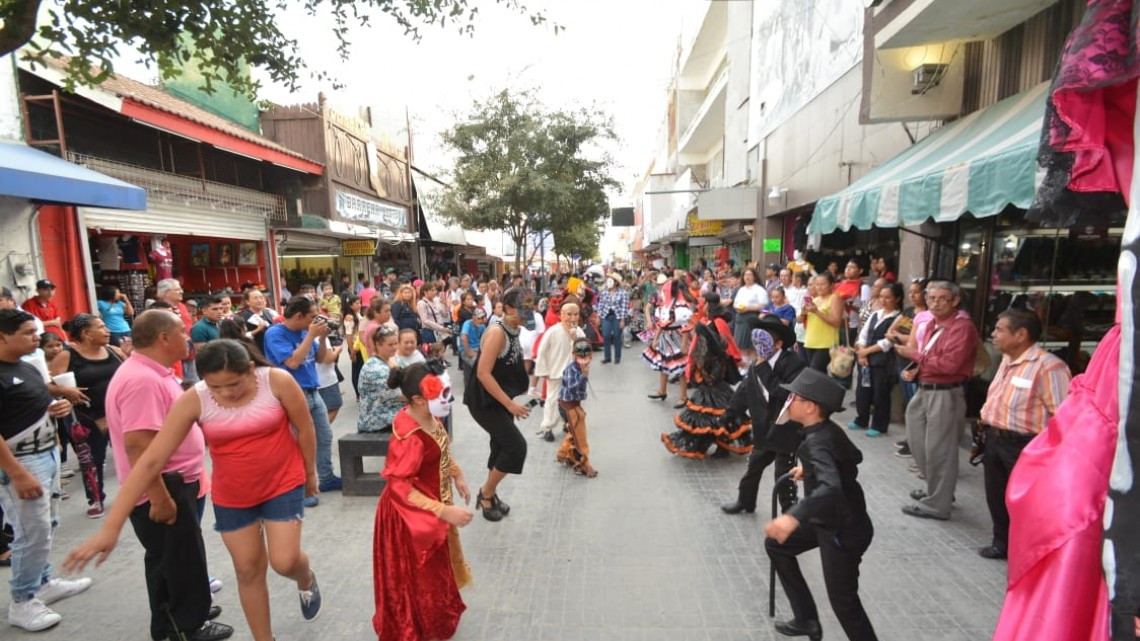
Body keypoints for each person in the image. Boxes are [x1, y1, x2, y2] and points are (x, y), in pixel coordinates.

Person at [65, 340, 322, 641]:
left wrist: (309, 473)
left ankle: (305, 578)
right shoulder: (194, 399)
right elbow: (150, 461)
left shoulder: (276, 381)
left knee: (285, 561)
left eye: (234, 384)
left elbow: (305, 427)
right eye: (216, 386)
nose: (226, 393)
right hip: (233, 494)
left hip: (282, 482)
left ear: (250, 369)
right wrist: (111, 527)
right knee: (247, 569)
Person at [103, 310, 234, 641]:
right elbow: (138, 446)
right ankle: (185, 627)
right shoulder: (141, 380)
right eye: (181, 332)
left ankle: (175, 617)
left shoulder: (152, 373)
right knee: (178, 560)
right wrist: (159, 496)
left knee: (172, 556)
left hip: (177, 481)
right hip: (165, 486)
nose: (187, 337)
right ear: (163, 338)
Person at [764, 368, 878, 641]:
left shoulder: (816, 442)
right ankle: (806, 619)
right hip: (829, 520)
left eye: (794, 397)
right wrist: (812, 470)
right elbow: (854, 457)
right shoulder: (828, 430)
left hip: (842, 530)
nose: (789, 401)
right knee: (777, 545)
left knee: (844, 603)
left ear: (810, 407)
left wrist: (792, 517)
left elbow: (831, 487)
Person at [0, 308, 90, 631]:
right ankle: (22, 601)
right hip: (21, 461)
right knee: (31, 532)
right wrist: (16, 473)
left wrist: (57, 407)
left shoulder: (26, 366)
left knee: (47, 524)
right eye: (27, 333)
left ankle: (42, 583)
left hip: (46, 453)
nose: (36, 338)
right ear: (2, 337)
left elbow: (33, 406)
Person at [372, 363, 472, 640]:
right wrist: (443, 511)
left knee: (434, 572)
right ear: (418, 399)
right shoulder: (410, 437)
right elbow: (400, 488)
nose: (447, 398)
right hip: (409, 516)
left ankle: (436, 616)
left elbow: (441, 448)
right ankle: (417, 624)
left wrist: (457, 474)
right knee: (418, 575)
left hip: (431, 505)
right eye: (441, 393)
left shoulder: (428, 415)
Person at [976, 309, 1070, 560]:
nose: (993, 334)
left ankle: (1029, 552)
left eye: (999, 330)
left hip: (1025, 445)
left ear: (1021, 335)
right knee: (996, 497)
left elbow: (1063, 415)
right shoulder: (1006, 360)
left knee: (1026, 502)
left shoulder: (1049, 367)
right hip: (995, 438)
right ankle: (1002, 544)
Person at [895, 281, 980, 521]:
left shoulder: (962, 328)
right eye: (932, 298)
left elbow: (949, 365)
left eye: (942, 298)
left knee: (940, 450)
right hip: (926, 388)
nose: (936, 303)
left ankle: (938, 504)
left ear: (955, 301)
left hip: (945, 392)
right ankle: (938, 491)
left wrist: (914, 355)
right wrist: (916, 368)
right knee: (919, 443)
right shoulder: (933, 323)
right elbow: (931, 358)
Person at [722, 317, 806, 515]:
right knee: (753, 467)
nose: (760, 347)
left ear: (778, 344)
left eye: (765, 341)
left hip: (785, 429)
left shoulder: (794, 363)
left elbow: (783, 392)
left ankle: (789, 512)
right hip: (764, 429)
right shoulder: (757, 364)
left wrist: (763, 368)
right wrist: (729, 415)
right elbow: (745, 390)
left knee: (784, 474)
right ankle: (745, 501)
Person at [462, 286, 533, 522]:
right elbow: (483, 373)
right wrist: (510, 404)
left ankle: (490, 494)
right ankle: (486, 493)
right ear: (509, 308)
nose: (527, 314)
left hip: (499, 398)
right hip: (484, 401)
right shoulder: (497, 332)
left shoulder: (515, 328)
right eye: (523, 309)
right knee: (516, 447)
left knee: (500, 446)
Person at [49, 314, 129, 518]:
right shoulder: (67, 355)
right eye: (101, 327)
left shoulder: (114, 351)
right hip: (85, 417)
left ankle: (136, 492)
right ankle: (95, 498)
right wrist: (65, 391)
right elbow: (48, 384)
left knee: (130, 453)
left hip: (119, 413)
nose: (107, 330)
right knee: (92, 460)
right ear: (86, 334)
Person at [262, 297, 340, 503]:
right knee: (298, 443)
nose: (316, 321)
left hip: (313, 392)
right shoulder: (275, 333)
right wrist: (311, 335)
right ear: (299, 316)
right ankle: (301, 486)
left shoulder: (306, 331)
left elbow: (321, 359)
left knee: (324, 437)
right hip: (293, 397)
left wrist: (321, 339)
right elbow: (292, 362)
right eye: (312, 317)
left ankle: (326, 477)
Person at [661, 295, 746, 459]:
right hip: (705, 368)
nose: (700, 305)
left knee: (714, 412)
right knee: (707, 414)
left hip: (714, 370)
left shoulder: (718, 321)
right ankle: (707, 445)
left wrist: (732, 361)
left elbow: (726, 343)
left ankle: (718, 446)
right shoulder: (706, 320)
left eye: (702, 302)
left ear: (708, 304)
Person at [849, 282, 903, 438]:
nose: (883, 301)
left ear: (897, 299)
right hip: (865, 360)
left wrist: (866, 351)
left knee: (881, 394)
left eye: (888, 297)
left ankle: (879, 425)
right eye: (881, 297)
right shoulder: (875, 314)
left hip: (883, 361)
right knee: (863, 391)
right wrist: (862, 353)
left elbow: (887, 343)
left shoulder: (898, 318)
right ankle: (861, 419)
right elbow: (863, 334)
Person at [885, 279, 928, 458]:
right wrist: (903, 338)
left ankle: (916, 443)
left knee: (916, 405)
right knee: (909, 404)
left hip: (915, 363)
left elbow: (916, 340)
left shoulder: (927, 315)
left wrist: (900, 337)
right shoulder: (908, 312)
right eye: (911, 292)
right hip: (901, 360)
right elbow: (889, 332)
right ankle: (911, 438)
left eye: (917, 292)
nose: (913, 295)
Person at [533, 302, 585, 443]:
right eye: (569, 314)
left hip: (573, 375)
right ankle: (547, 428)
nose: (573, 318)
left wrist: (575, 339)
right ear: (561, 315)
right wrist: (543, 370)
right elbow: (542, 352)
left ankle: (567, 423)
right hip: (556, 373)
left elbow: (585, 351)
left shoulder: (579, 332)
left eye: (576, 314)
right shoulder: (553, 331)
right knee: (552, 400)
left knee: (572, 401)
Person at [643, 277, 694, 404]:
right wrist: (656, 339)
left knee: (680, 369)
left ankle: (683, 397)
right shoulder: (666, 305)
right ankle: (662, 391)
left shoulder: (680, 306)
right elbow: (661, 323)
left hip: (676, 338)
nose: (663, 292)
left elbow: (685, 327)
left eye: (665, 290)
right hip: (665, 338)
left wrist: (684, 345)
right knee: (663, 365)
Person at [557, 338, 596, 477]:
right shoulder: (571, 369)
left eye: (587, 355)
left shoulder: (581, 367)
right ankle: (581, 464)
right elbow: (572, 388)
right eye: (581, 355)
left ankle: (563, 454)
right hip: (567, 406)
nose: (584, 358)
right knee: (579, 436)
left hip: (575, 404)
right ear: (574, 354)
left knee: (573, 432)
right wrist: (583, 376)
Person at [357, 326, 403, 434]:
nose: (394, 347)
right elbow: (398, 395)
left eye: (396, 343)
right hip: (378, 420)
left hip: (393, 412)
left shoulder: (394, 359)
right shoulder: (374, 369)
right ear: (378, 345)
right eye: (390, 345)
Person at [800, 273, 843, 373]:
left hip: (826, 343)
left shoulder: (835, 298)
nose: (819, 287)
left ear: (831, 285)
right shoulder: (815, 299)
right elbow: (800, 320)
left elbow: (836, 322)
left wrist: (816, 311)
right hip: (810, 342)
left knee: (815, 373)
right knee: (819, 374)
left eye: (823, 284)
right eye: (817, 284)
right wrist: (803, 313)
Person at [157, 278, 196, 382]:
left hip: (188, 352)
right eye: (178, 289)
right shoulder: (157, 310)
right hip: (173, 356)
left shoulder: (182, 306)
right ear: (166, 292)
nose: (181, 291)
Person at [595, 274, 629, 365]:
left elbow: (624, 307)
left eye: (612, 280)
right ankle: (607, 357)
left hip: (617, 317)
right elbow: (601, 305)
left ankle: (617, 357)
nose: (609, 281)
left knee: (617, 336)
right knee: (606, 336)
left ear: (616, 282)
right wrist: (598, 317)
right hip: (606, 316)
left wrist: (622, 320)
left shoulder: (623, 293)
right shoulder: (604, 292)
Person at [733, 267, 769, 350]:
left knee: (750, 347)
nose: (747, 277)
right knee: (739, 346)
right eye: (745, 275)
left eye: (750, 275)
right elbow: (735, 303)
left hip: (752, 318)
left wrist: (748, 308)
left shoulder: (759, 289)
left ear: (754, 277)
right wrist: (737, 308)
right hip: (740, 319)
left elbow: (764, 306)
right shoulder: (741, 289)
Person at [236, 289, 276, 356]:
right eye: (256, 298)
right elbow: (240, 337)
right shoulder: (244, 317)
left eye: (261, 297)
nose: (260, 300)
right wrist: (258, 330)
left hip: (270, 350)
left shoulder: (267, 312)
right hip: (255, 353)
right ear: (247, 302)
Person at [459, 308, 488, 387]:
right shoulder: (467, 323)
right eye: (479, 318)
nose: (481, 320)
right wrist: (468, 352)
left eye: (482, 318)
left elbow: (487, 337)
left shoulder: (482, 326)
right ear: (473, 317)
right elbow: (463, 337)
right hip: (467, 350)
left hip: (478, 349)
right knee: (479, 364)